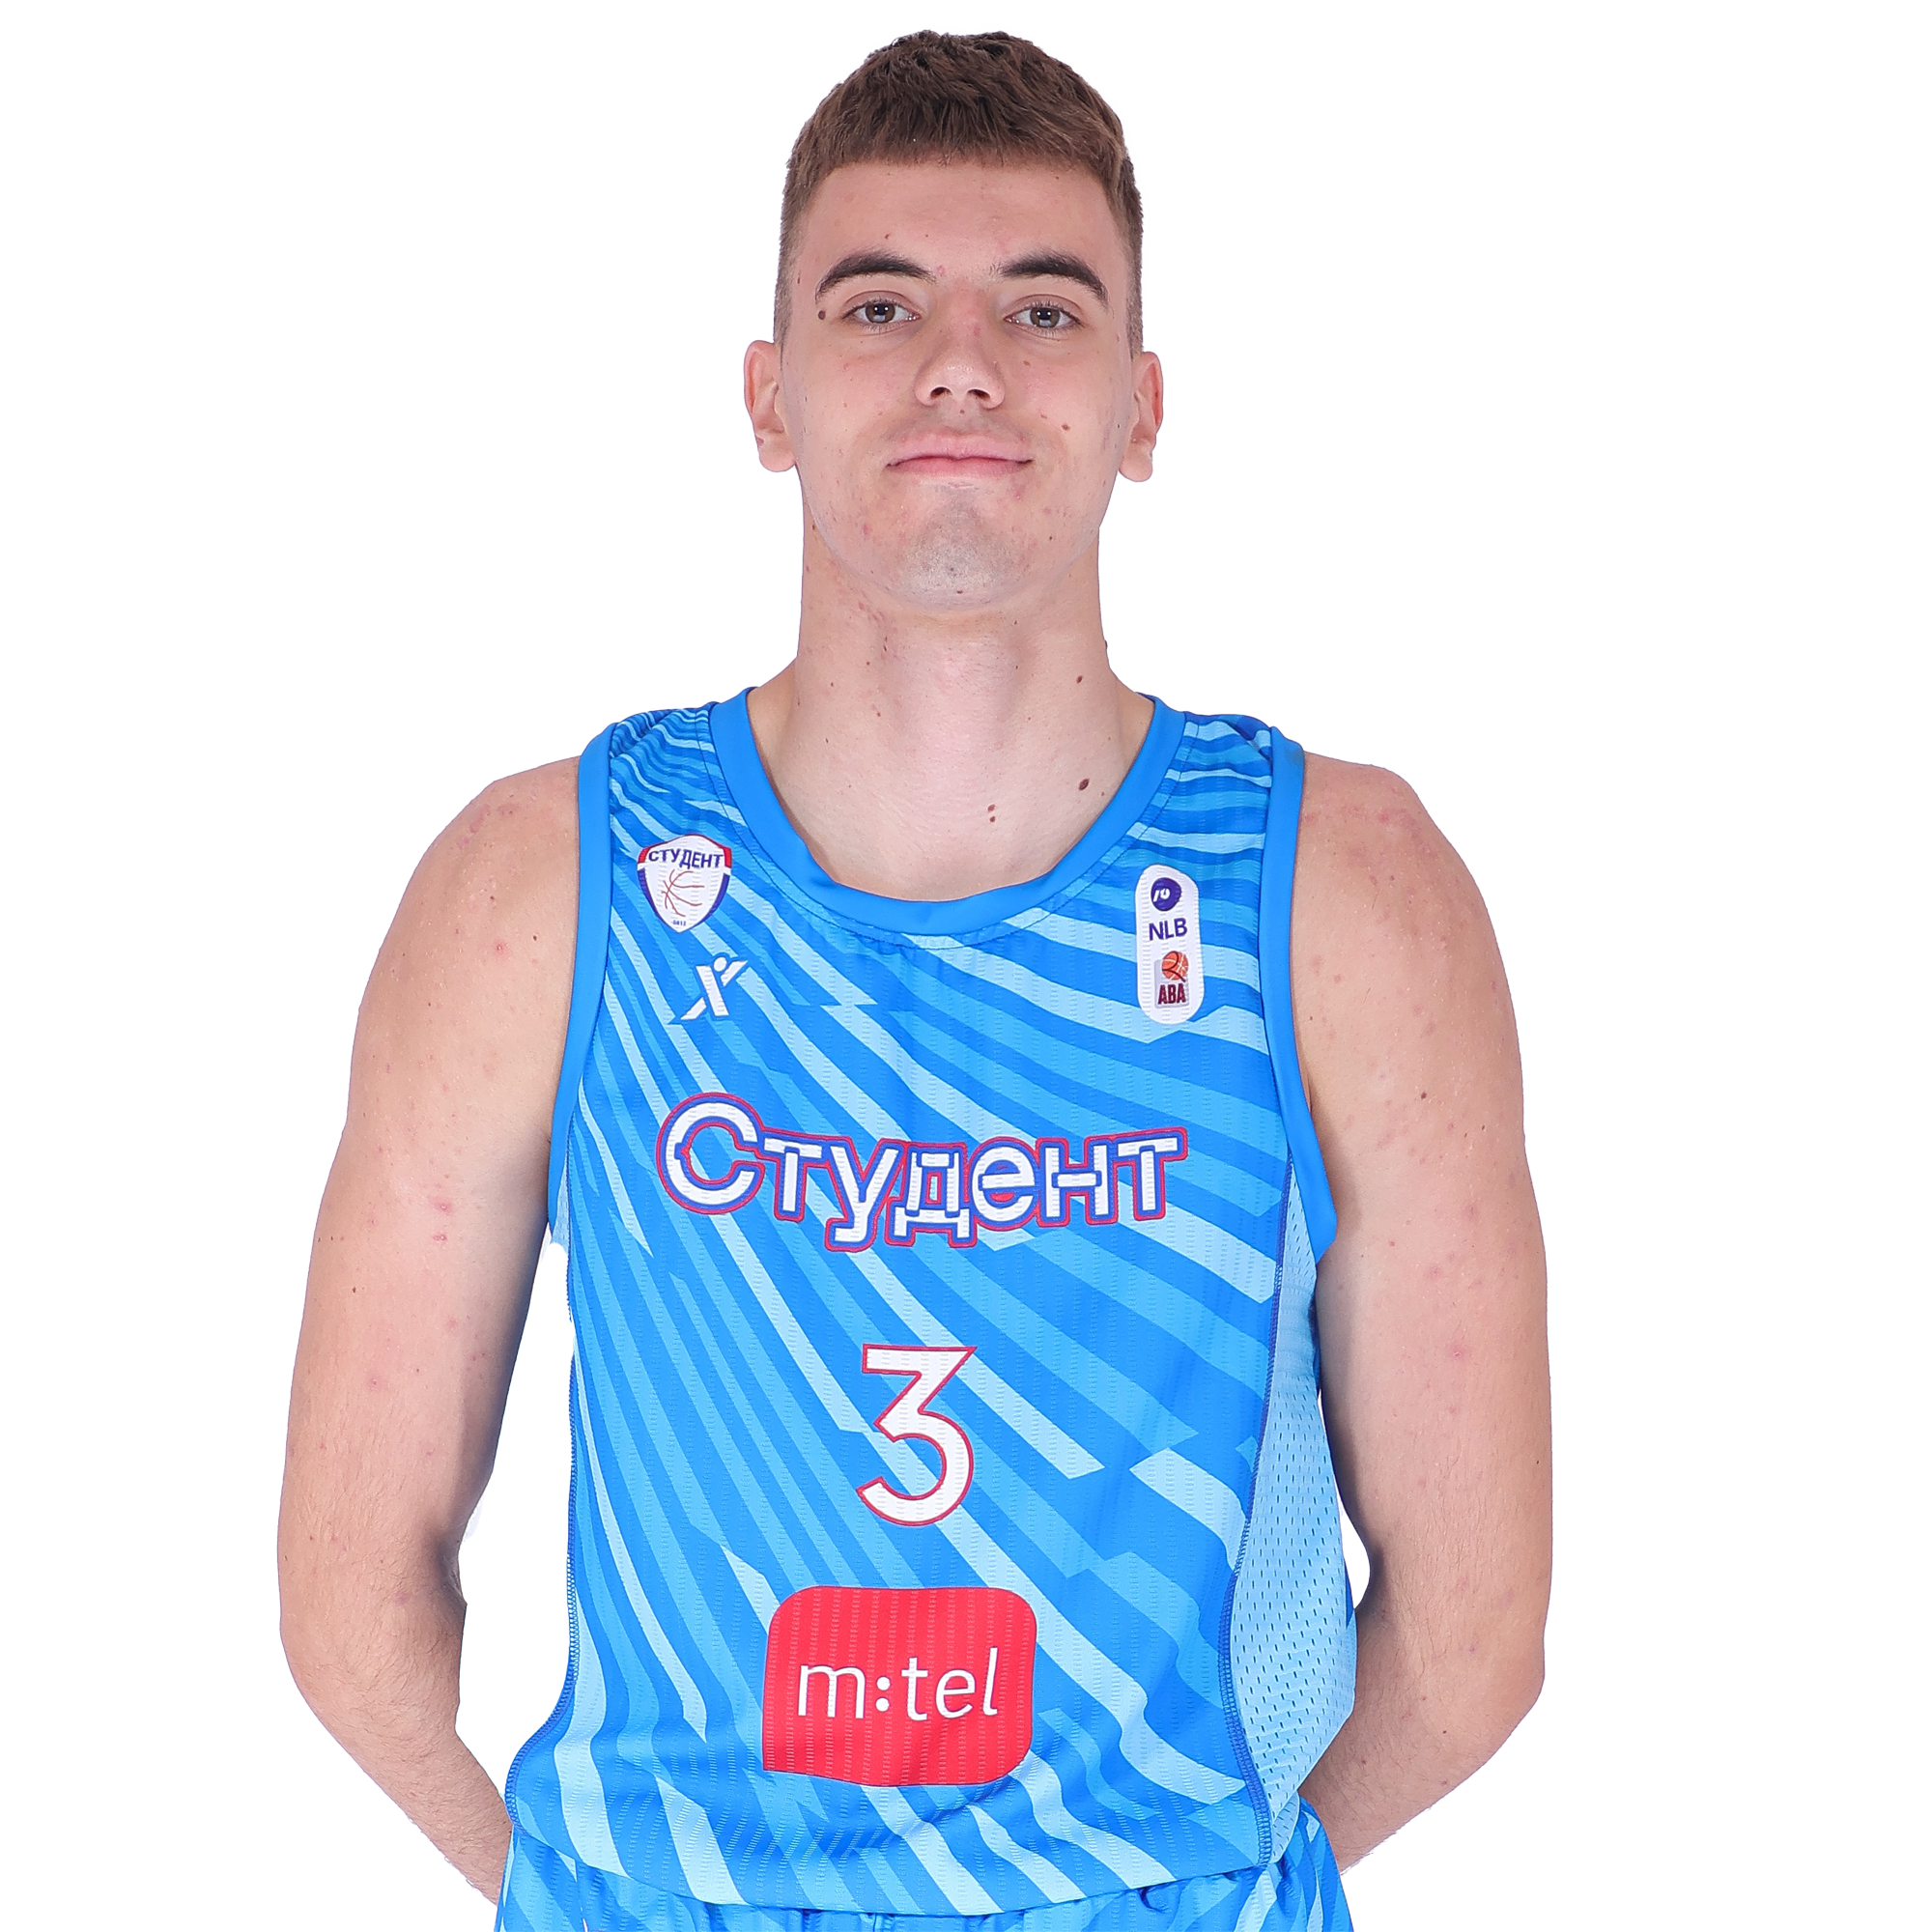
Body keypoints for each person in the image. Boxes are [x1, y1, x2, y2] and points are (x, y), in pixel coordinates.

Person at [280, 30, 1549, 1932]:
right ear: (769, 397)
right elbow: (343, 1585)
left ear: (1141, 405)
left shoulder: (1341, 890)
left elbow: (1475, 1627)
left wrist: (1181, 1894)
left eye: (1044, 308)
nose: (963, 359)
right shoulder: (539, 885)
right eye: (879, 304)